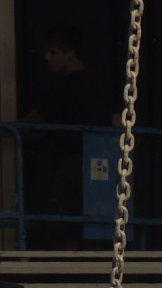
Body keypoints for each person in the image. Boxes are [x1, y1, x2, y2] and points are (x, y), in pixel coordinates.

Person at [22, 23, 117, 250]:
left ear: (70, 52)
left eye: (53, 52)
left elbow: (34, 120)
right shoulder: (102, 85)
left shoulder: (64, 87)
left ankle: (68, 266)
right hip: (103, 162)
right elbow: (118, 121)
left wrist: (1, 129)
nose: (46, 58)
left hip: (72, 164)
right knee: (99, 222)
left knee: (66, 225)